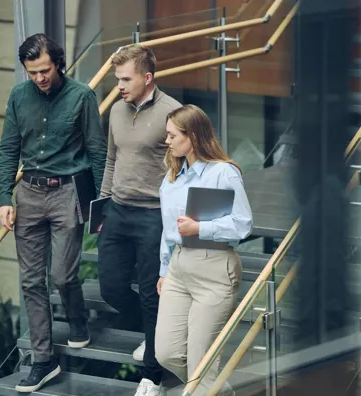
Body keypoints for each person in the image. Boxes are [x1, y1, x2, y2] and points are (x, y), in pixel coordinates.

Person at [0, 33, 107, 393]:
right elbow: (8, 150)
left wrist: (103, 205)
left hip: (67, 194)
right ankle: (43, 361)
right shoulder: (17, 97)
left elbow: (97, 152)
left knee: (61, 274)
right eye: (32, 73)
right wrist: (4, 198)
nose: (40, 78)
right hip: (28, 193)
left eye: (44, 70)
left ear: (58, 63)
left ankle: (77, 321)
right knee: (31, 281)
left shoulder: (82, 97)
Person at [97, 44, 181, 396]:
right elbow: (111, 160)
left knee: (151, 293)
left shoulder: (174, 112)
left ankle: (153, 374)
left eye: (126, 79)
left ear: (147, 78)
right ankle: (155, 335)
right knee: (111, 288)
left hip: (153, 215)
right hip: (117, 210)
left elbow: (186, 165)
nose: (119, 85)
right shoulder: (116, 109)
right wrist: (102, 205)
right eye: (117, 78)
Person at [155, 105, 253, 395]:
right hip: (178, 268)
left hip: (214, 268)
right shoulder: (171, 178)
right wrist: (163, 269)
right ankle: (214, 389)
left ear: (193, 136)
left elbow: (243, 224)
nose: (167, 141)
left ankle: (208, 388)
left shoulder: (224, 173)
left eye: (173, 136)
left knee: (203, 366)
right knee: (167, 353)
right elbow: (167, 230)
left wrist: (201, 229)